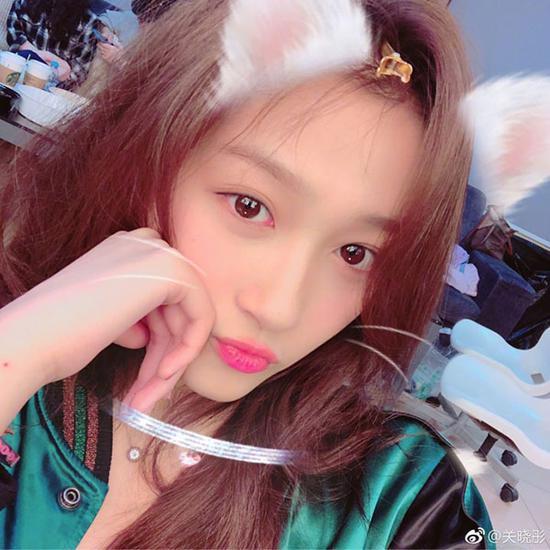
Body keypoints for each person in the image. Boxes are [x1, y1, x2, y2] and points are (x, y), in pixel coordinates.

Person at [0, 0, 496, 548]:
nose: (279, 308)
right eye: (249, 206)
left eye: (357, 253)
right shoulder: (19, 340)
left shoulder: (404, 504)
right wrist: (18, 354)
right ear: (145, 163)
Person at [5, 0, 101, 89]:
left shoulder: (88, 21)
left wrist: (52, 74)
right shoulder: (25, 2)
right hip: (14, 71)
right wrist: (44, 57)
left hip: (51, 89)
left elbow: (79, 72)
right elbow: (14, 33)